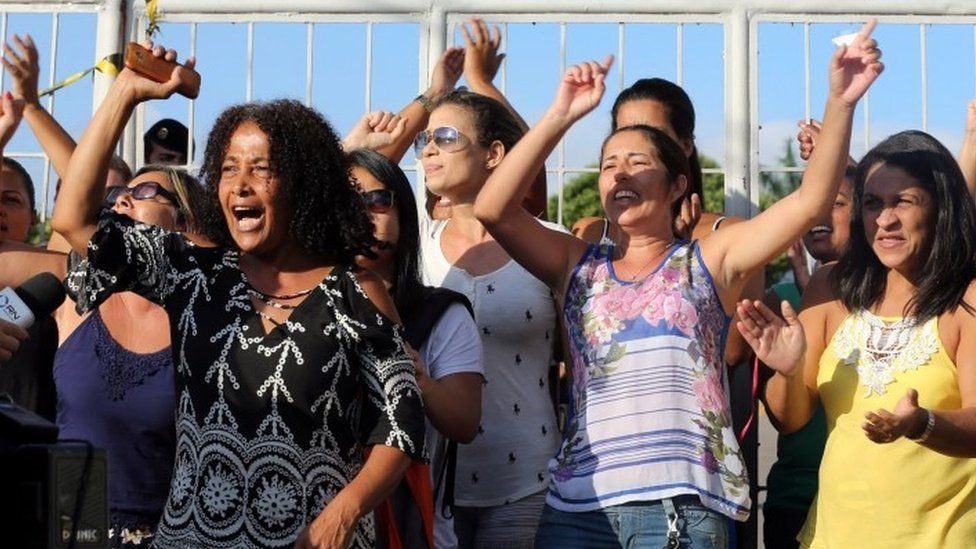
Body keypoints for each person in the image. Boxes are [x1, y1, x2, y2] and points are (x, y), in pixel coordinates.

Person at [472, 19, 881, 547]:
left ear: (677, 183)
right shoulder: (576, 262)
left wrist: (840, 102)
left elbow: (808, 202)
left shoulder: (711, 257)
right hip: (578, 508)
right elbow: (493, 207)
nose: (619, 174)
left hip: (683, 511)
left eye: (638, 162)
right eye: (608, 165)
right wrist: (560, 115)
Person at [52, 43, 425, 548]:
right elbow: (74, 219)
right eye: (228, 169)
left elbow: (402, 421)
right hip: (193, 538)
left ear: (304, 185)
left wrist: (344, 512)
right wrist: (126, 93)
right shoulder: (190, 272)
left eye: (261, 169)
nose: (241, 186)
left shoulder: (357, 292)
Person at [738, 127, 976, 548]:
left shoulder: (968, 297)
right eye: (872, 204)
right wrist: (789, 372)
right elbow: (790, 418)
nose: (885, 220)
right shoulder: (831, 285)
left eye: (903, 200)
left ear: (940, 206)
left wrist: (922, 424)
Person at [350, 148, 483, 549]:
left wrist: (413, 375)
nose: (362, 214)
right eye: (345, 201)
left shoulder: (441, 313)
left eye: (377, 200)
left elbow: (464, 423)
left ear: (403, 216)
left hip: (414, 532)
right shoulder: (293, 308)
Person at [759, 151, 854, 549]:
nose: (819, 215)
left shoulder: (905, 294)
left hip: (869, 501)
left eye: (837, 203)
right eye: (814, 203)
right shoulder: (779, 298)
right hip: (796, 498)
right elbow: (788, 417)